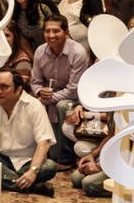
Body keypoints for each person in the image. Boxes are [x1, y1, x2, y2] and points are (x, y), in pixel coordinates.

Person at [30, 13, 89, 167]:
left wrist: (47, 98)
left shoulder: (78, 53)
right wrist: (39, 92)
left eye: (56, 31)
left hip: (76, 101)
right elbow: (35, 82)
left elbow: (73, 90)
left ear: (66, 32)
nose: (51, 35)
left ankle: (67, 158)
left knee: (63, 105)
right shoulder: (40, 51)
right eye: (47, 31)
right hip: (51, 100)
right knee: (53, 154)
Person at [0, 68, 56, 197]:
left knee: (50, 166)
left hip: (28, 162)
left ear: (18, 89)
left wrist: (33, 171)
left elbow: (44, 143)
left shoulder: (34, 106)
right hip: (1, 160)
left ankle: (11, 182)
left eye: (4, 87)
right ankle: (31, 187)